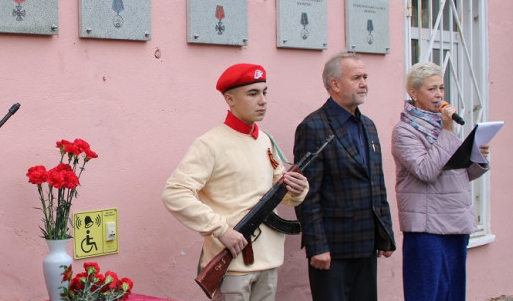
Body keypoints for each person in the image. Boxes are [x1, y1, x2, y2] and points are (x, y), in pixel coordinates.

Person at [161, 63, 309, 301]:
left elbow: (283, 192)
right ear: (230, 99)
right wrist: (221, 229)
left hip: (269, 260)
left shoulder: (265, 141)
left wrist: (299, 190)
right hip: (233, 262)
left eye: (265, 92)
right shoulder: (210, 143)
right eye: (253, 93)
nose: (263, 100)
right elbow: (175, 192)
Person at [294, 51, 395, 301]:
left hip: (366, 242)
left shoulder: (368, 125)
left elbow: (376, 183)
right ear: (335, 84)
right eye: (356, 78)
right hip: (332, 249)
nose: (364, 83)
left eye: (365, 77)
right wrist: (317, 246)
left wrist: (385, 235)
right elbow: (307, 194)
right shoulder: (314, 126)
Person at [391, 62, 490, 301]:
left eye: (441, 88)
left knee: (453, 293)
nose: (439, 95)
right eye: (431, 89)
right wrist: (447, 130)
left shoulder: (443, 127)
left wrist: (477, 156)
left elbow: (459, 174)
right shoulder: (405, 131)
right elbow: (426, 171)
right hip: (427, 228)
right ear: (413, 93)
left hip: (455, 221)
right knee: (426, 294)